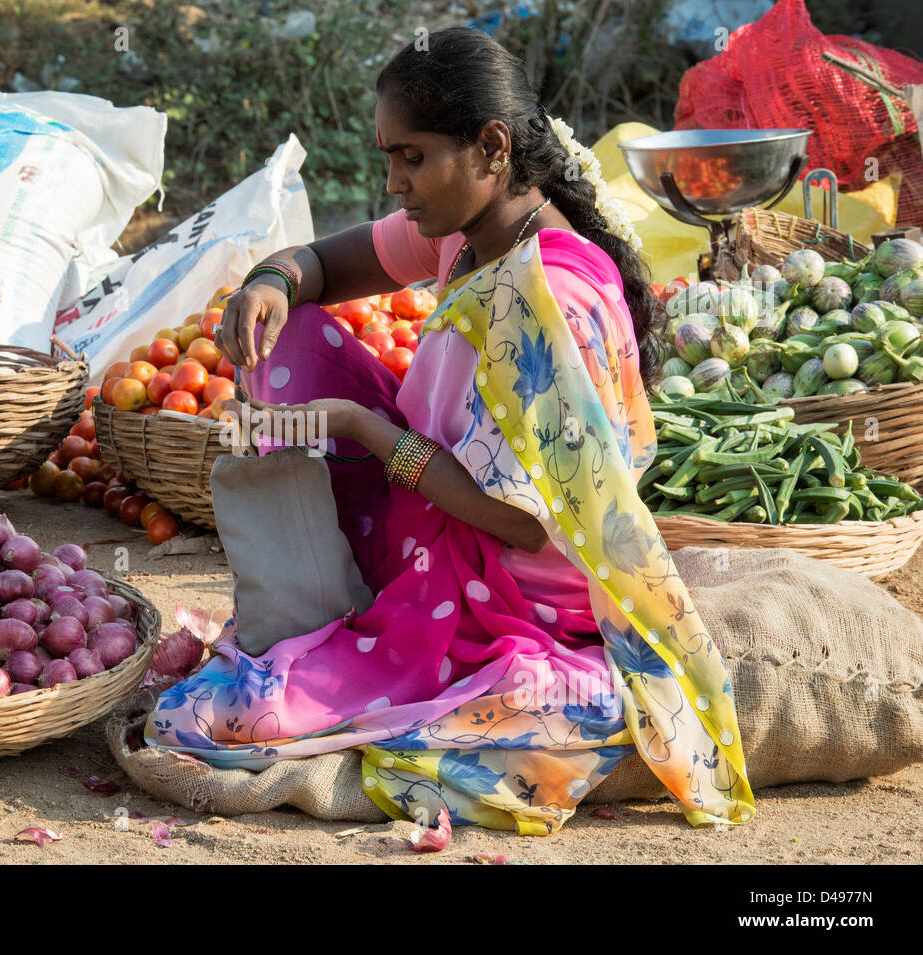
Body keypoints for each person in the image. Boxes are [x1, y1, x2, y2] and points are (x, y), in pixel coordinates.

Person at [144, 28, 754, 836]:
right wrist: (269, 280)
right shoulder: (469, 231)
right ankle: (342, 590)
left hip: (518, 580)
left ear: (492, 148)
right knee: (284, 333)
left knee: (218, 715)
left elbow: (527, 520)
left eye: (412, 158)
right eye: (388, 157)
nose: (394, 183)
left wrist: (362, 426)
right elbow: (325, 263)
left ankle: (378, 617)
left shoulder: (547, 303)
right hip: (437, 499)